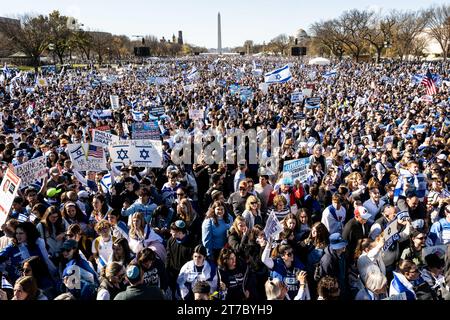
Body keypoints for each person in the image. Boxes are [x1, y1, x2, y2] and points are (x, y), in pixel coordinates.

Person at [166, 220, 196, 299]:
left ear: (179, 232)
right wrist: (167, 268)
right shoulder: (171, 241)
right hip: (173, 272)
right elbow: (168, 256)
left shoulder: (191, 243)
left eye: (172, 232)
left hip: (185, 274)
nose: (170, 233)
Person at [319, 233, 348, 299]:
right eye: (341, 246)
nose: (344, 247)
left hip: (343, 288)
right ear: (335, 248)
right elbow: (326, 281)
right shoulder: (327, 261)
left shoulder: (342, 254)